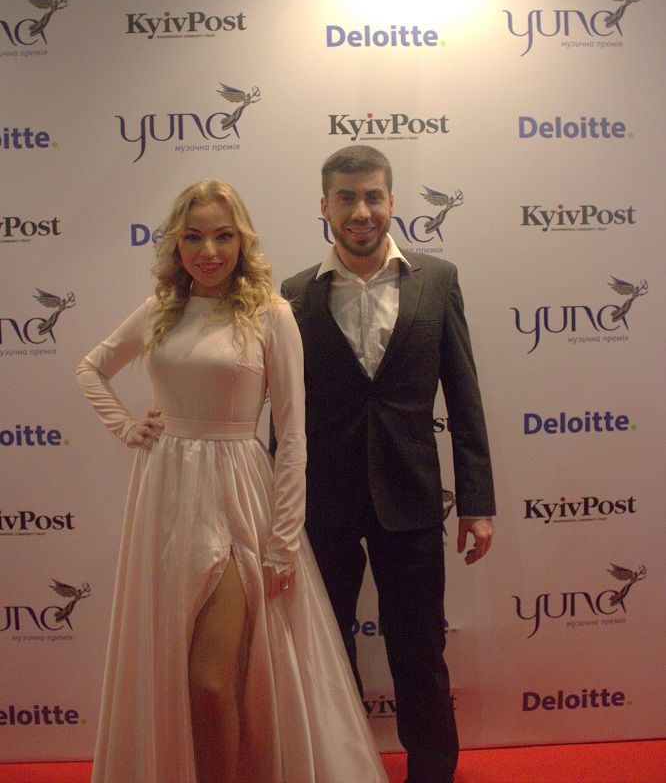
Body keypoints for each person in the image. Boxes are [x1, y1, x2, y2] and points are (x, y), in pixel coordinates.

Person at [76, 179, 387, 783]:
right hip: (164, 495)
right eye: (193, 237)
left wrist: (284, 539)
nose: (209, 251)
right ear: (177, 244)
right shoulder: (162, 309)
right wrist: (126, 425)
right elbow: (91, 368)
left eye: (223, 236)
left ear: (242, 241)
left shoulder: (271, 314)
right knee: (173, 667)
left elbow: (292, 433)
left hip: (240, 495)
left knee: (214, 683)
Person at [280, 146, 496, 783]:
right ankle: (343, 768)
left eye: (373, 196)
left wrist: (478, 502)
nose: (361, 211)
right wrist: (277, 507)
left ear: (392, 201)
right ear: (324, 206)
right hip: (323, 503)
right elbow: (284, 414)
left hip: (412, 497)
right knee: (327, 650)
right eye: (346, 198)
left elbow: (464, 396)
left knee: (420, 649)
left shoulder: (438, 279)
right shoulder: (294, 294)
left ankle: (432, 772)